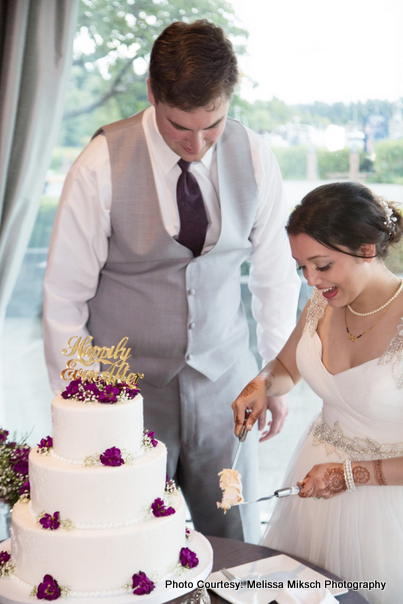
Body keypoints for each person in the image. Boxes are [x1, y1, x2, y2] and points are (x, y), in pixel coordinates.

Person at [43, 20, 300, 544]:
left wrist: (277, 374)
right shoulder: (100, 164)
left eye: (214, 125)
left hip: (228, 389)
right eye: (181, 127)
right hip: (125, 395)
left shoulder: (254, 155)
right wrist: (87, 403)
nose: (198, 143)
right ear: (152, 94)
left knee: (235, 536)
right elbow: (65, 299)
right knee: (126, 542)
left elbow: (274, 275)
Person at [232, 181, 403, 602]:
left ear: (366, 249)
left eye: (322, 265)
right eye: (301, 267)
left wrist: (351, 474)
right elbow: (288, 367)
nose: (311, 281)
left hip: (388, 507)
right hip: (313, 484)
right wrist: (261, 383)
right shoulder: (321, 303)